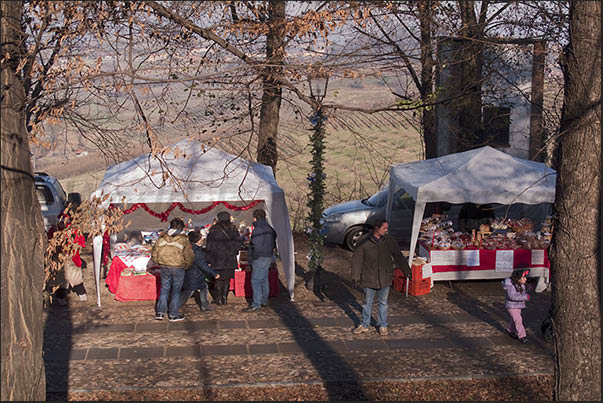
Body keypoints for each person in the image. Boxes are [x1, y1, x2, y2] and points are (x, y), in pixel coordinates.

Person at [351, 219, 409, 335]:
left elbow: (398, 256)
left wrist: (407, 270)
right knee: (367, 303)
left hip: (385, 278)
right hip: (369, 278)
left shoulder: (389, 240)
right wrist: (355, 277)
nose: (386, 230)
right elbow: (357, 260)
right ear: (376, 228)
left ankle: (383, 325)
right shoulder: (364, 241)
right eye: (384, 228)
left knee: (383, 303)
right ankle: (365, 324)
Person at [151, 217, 195, 321]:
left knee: (164, 289)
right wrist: (187, 265)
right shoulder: (184, 240)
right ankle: (173, 314)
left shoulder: (161, 238)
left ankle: (160, 312)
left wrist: (158, 261)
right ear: (181, 227)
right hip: (178, 267)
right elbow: (189, 255)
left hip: (164, 266)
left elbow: (154, 253)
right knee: (176, 291)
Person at [47, 196, 88, 305]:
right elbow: (51, 240)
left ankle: (81, 293)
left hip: (72, 257)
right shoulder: (56, 229)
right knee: (63, 280)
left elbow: (80, 242)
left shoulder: (73, 229)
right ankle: (60, 297)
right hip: (61, 258)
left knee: (75, 277)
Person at [242, 209, 277, 312]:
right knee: (264, 279)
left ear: (255, 217)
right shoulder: (269, 228)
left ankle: (256, 303)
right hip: (268, 256)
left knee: (256, 281)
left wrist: (254, 256)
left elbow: (256, 245)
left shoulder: (258, 229)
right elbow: (274, 240)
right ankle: (264, 300)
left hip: (259, 257)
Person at [205, 211, 242, 305]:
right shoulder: (233, 228)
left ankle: (218, 298)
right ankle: (224, 298)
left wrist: (208, 258)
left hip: (216, 258)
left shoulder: (214, 229)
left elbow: (209, 245)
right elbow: (238, 243)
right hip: (229, 258)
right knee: (227, 279)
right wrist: (234, 251)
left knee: (218, 278)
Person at [179, 230, 220, 312]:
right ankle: (175, 305)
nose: (202, 240)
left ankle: (204, 305)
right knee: (189, 292)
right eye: (201, 239)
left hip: (191, 273)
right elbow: (202, 265)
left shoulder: (188, 247)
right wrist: (214, 273)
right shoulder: (196, 251)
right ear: (197, 241)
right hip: (194, 274)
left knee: (203, 288)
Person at [502, 269, 535, 344]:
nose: (525, 279)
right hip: (511, 306)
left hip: (517, 305)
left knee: (515, 319)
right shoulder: (511, 287)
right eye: (523, 278)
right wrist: (525, 297)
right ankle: (522, 335)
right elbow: (513, 297)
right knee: (518, 320)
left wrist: (531, 287)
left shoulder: (521, 285)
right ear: (518, 279)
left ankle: (511, 330)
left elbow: (524, 291)